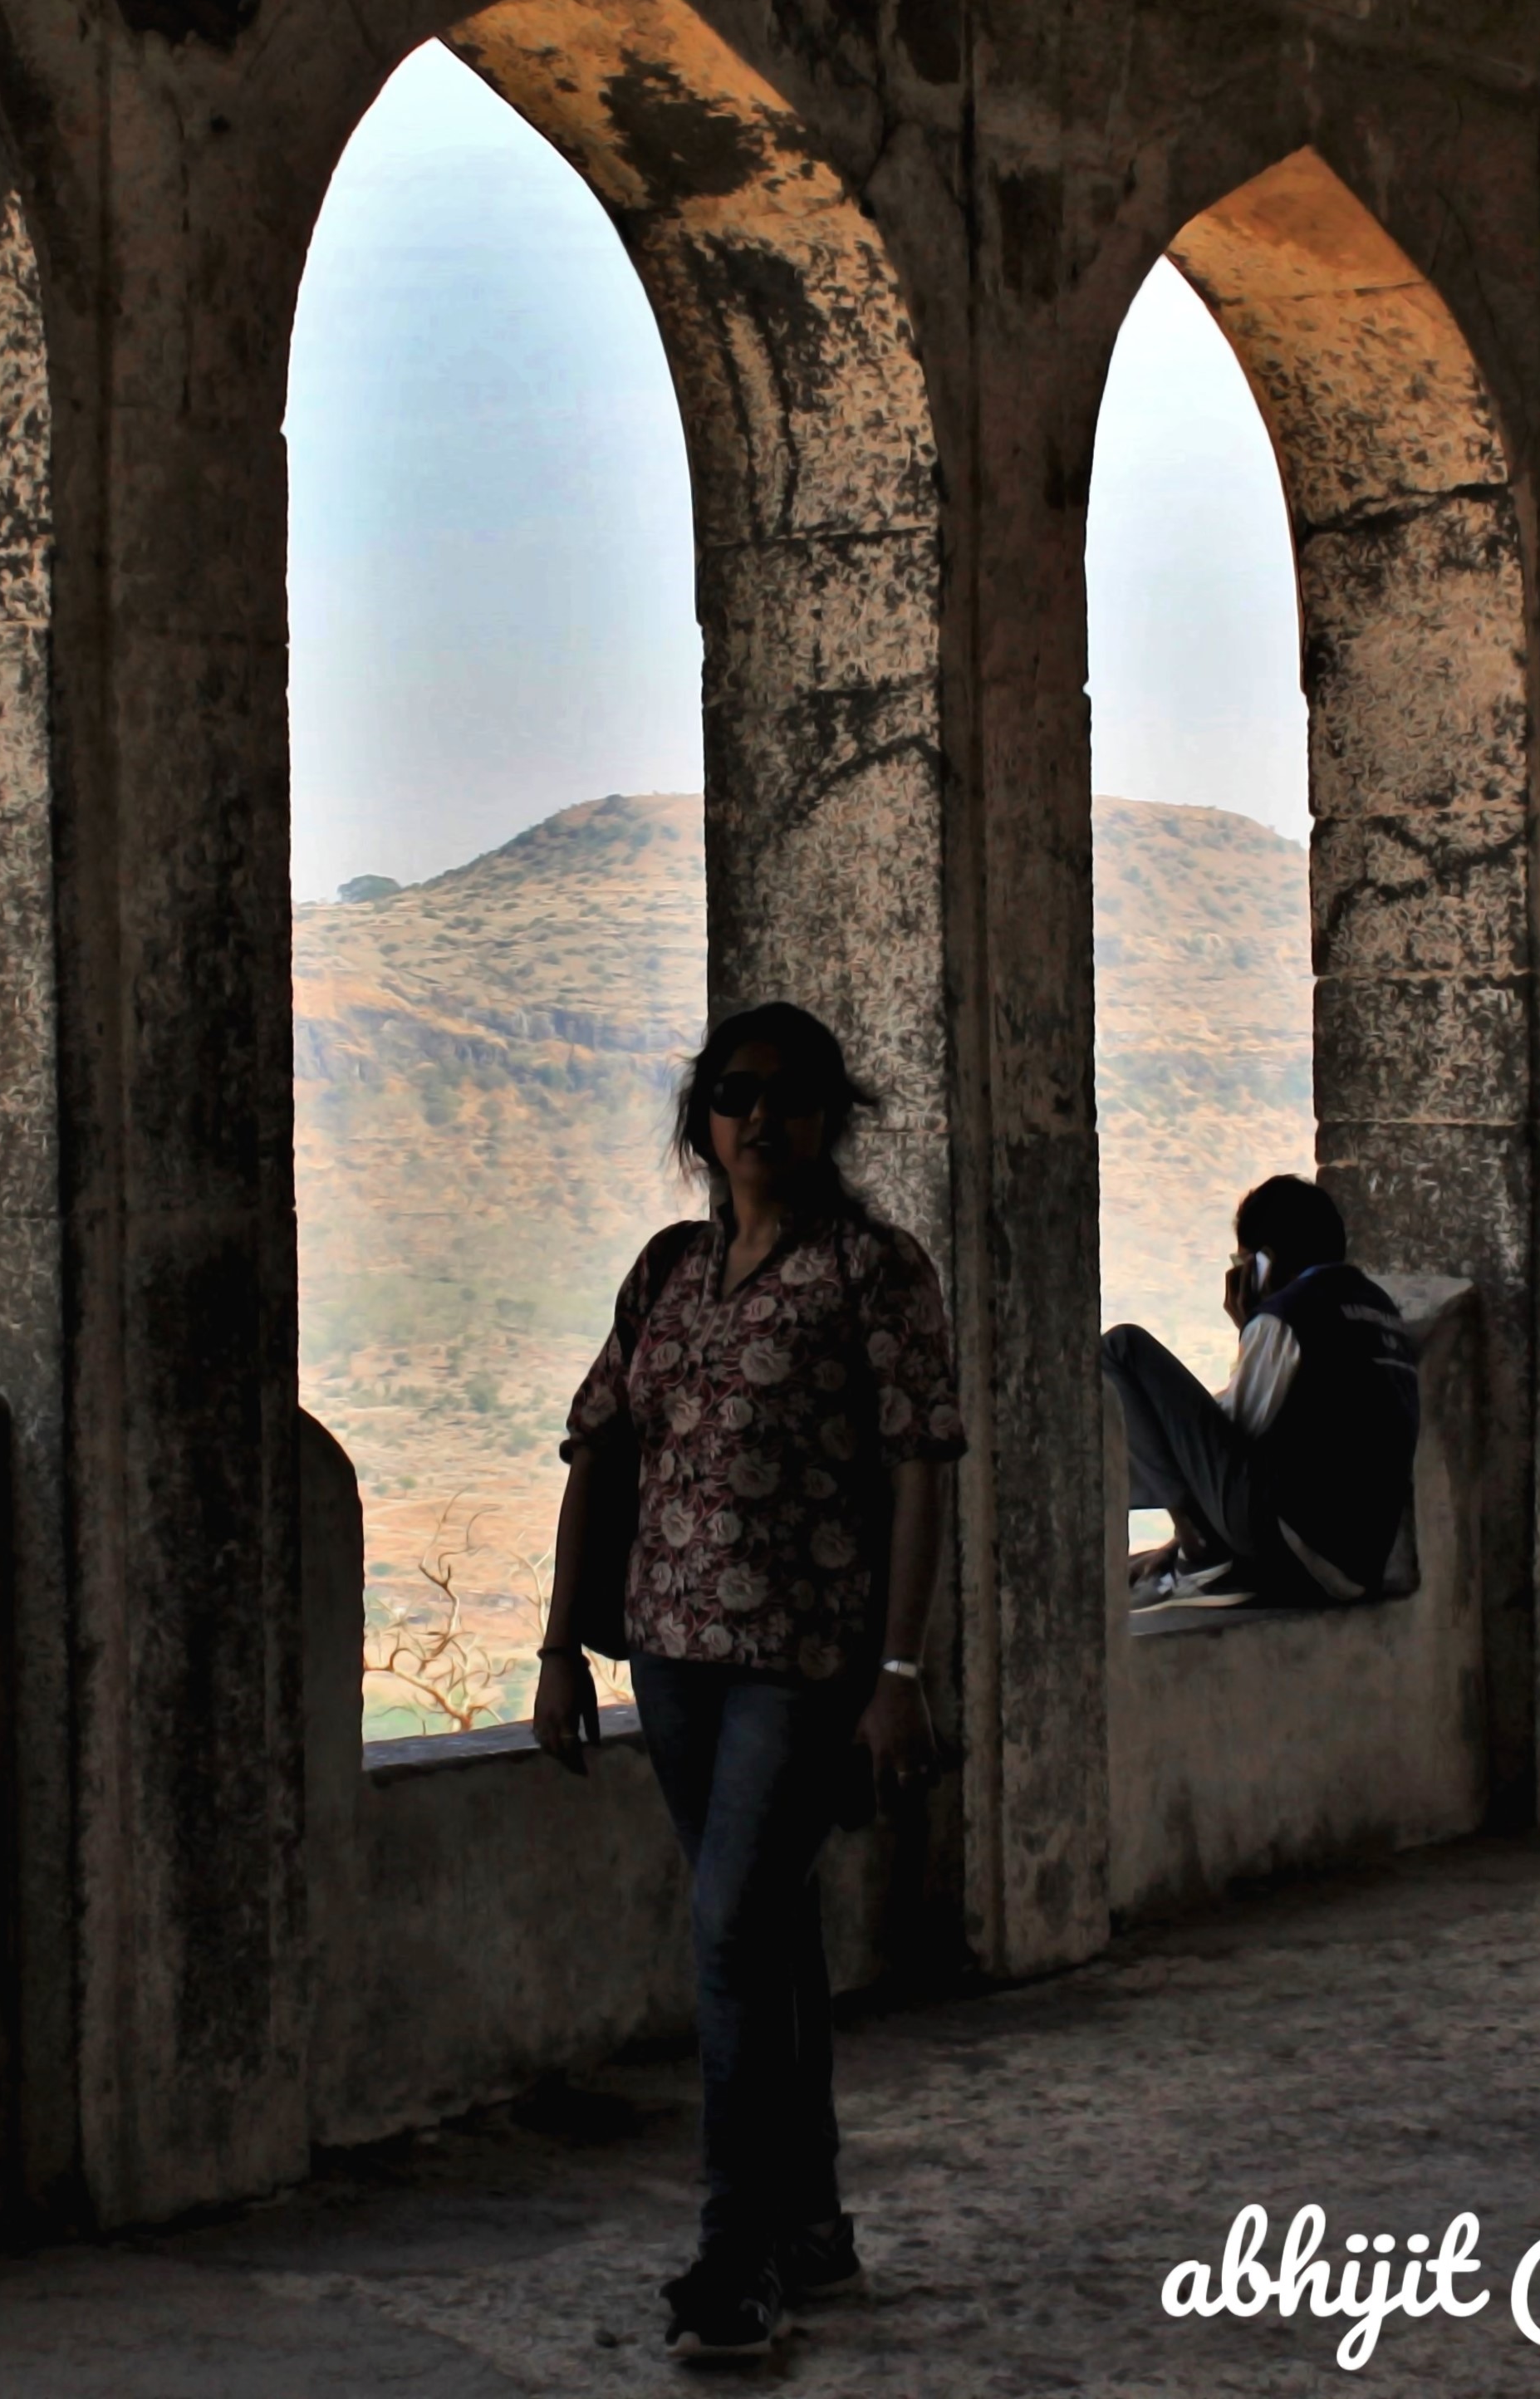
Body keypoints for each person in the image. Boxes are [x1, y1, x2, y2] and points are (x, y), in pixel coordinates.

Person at [532, 998, 960, 2364]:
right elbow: (598, 1445)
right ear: (700, 1119)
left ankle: (735, 2253)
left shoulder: (871, 1273)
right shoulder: (667, 1272)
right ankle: (816, 2226)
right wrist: (558, 1649)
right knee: (765, 1938)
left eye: (784, 1093)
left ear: (833, 1116)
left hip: (800, 1662)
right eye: (732, 1093)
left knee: (726, 1933)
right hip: (670, 1658)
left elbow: (918, 1466)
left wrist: (897, 1668)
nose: (757, 1115)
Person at [1101, 1173, 1420, 1612]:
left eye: (1243, 1260)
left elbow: (1237, 1435)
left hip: (1300, 1551)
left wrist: (1251, 1328)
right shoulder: (1379, 1310)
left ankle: (1200, 1551)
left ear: (1262, 1262)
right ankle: (1190, 1550)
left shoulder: (1288, 1315)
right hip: (1361, 1565)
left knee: (1122, 1348)